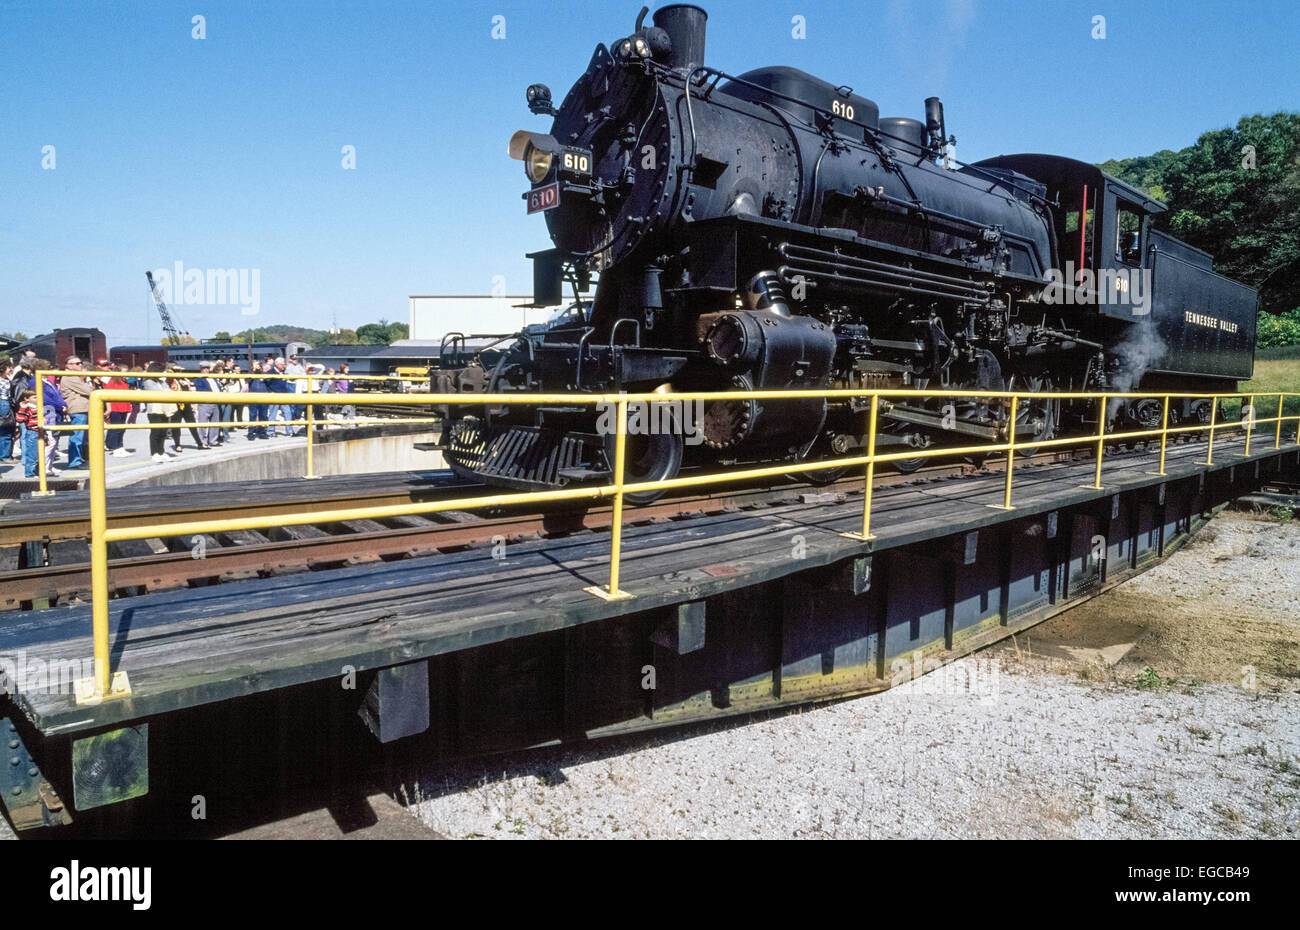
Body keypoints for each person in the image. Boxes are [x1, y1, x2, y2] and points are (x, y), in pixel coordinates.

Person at [58, 355, 93, 470]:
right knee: (77, 437)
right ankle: (74, 462)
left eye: (80, 363)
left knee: (82, 437)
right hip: (78, 410)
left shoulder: (74, 377)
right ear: (69, 365)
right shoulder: (70, 377)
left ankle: (80, 459)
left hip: (82, 409)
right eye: (77, 363)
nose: (80, 365)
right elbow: (88, 390)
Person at [141, 363, 176, 462]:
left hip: (164, 409)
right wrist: (167, 391)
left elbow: (168, 390)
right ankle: (154, 453)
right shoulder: (148, 382)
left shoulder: (162, 382)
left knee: (163, 432)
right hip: (154, 410)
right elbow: (158, 392)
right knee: (156, 432)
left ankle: (161, 451)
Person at [102, 364, 133, 456]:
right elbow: (107, 395)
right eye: (124, 372)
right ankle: (114, 447)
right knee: (116, 428)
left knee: (122, 428)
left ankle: (120, 446)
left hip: (124, 406)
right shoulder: (111, 382)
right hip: (115, 407)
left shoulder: (125, 383)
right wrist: (109, 408)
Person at [193, 361, 221, 448]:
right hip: (205, 403)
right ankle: (202, 441)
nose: (206, 370)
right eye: (204, 368)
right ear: (201, 369)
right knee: (203, 423)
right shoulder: (198, 378)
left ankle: (213, 440)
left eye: (208, 368)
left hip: (215, 402)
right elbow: (200, 389)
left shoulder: (213, 378)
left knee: (215, 423)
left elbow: (219, 387)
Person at [15, 389, 42, 477]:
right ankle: (30, 474)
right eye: (34, 397)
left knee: (39, 455)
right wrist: (22, 408)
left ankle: (37, 473)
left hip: (40, 433)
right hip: (32, 433)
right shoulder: (27, 408)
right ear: (26, 399)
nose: (37, 399)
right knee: (32, 456)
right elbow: (20, 419)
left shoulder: (38, 407)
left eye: (38, 397)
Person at [246, 361, 269, 439]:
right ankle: (251, 433)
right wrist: (253, 371)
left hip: (263, 397)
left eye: (258, 365)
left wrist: (262, 373)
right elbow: (248, 380)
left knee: (263, 415)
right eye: (255, 365)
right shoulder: (251, 374)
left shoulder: (264, 374)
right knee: (252, 415)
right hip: (253, 397)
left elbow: (268, 381)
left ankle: (262, 432)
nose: (257, 366)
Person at [0, 361, 14, 459]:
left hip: (5, 403)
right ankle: (4, 455)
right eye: (9, 367)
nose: (11, 370)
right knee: (5, 430)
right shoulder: (5, 381)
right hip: (3, 403)